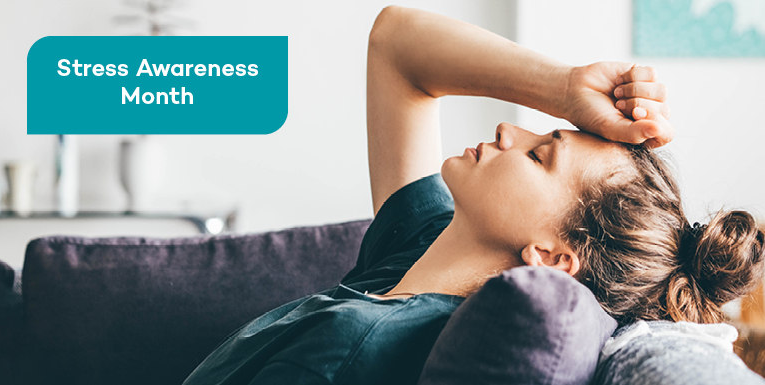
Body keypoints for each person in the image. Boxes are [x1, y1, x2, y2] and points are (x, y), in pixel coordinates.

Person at [182, 6, 765, 385]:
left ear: (554, 257)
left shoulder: (352, 351)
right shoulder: (418, 250)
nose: (513, 131)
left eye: (540, 155)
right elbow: (396, 45)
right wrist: (565, 89)